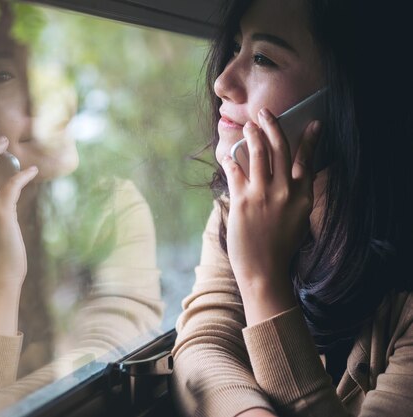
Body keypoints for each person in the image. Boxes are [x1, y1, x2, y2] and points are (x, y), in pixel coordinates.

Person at [172, 0, 413, 416]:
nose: (223, 82)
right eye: (234, 48)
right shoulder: (241, 208)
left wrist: (262, 279)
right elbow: (205, 342)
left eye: (263, 58)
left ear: (347, 98)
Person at [0, 1, 164, 415]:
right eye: (3, 76)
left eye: (46, 69)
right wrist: (0, 284)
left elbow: (104, 363)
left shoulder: (110, 204)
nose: (40, 99)